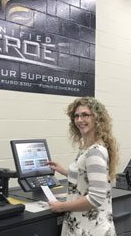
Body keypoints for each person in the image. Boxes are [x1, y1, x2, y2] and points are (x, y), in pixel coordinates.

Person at [47, 96, 119, 236]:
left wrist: (61, 206)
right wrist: (63, 171)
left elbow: (96, 197)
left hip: (90, 230)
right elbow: (86, 177)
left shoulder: (94, 152)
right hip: (85, 226)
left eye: (85, 115)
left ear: (97, 118)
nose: (80, 120)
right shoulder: (88, 148)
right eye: (76, 116)